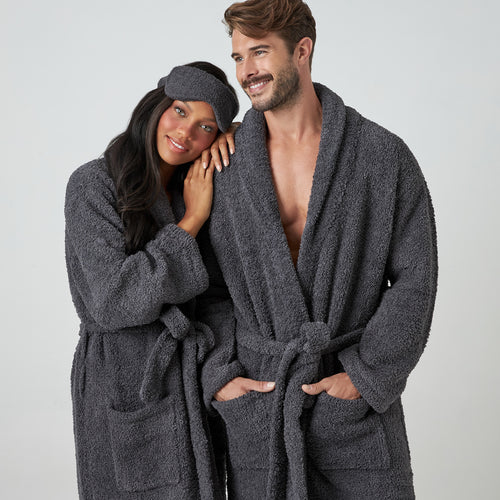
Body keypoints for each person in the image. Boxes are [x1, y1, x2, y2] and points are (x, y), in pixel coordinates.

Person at [198, 1, 438, 499]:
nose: (246, 71)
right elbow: (208, 286)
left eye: (260, 52)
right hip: (262, 403)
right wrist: (221, 375)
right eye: (238, 57)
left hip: (352, 404)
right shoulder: (226, 166)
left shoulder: (380, 156)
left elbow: (416, 278)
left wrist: (365, 374)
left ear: (302, 51)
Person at [64, 61, 239, 500]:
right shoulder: (93, 185)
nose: (185, 133)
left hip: (190, 378)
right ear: (157, 104)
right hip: (120, 378)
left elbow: (220, 296)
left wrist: (243, 136)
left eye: (206, 127)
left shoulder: (197, 187)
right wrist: (191, 222)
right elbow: (113, 299)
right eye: (180, 111)